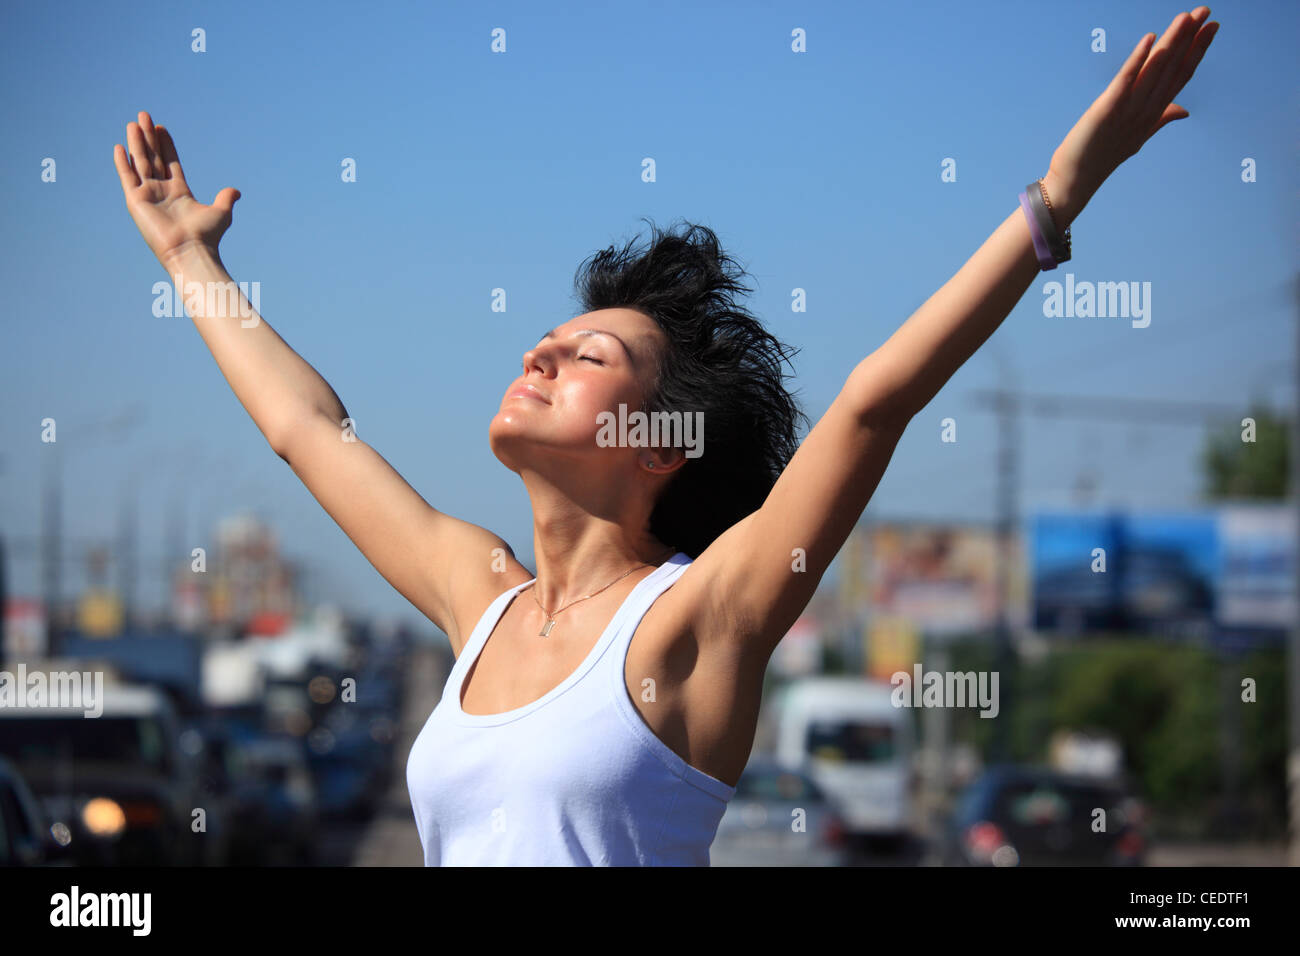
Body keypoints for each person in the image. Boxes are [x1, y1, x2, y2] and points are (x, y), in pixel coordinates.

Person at [111, 8, 1218, 865]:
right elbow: (309, 430)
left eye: (586, 356)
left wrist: (1056, 199)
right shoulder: (478, 594)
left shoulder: (697, 615)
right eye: (544, 341)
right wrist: (190, 262)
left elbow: (873, 402)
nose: (538, 356)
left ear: (659, 442)